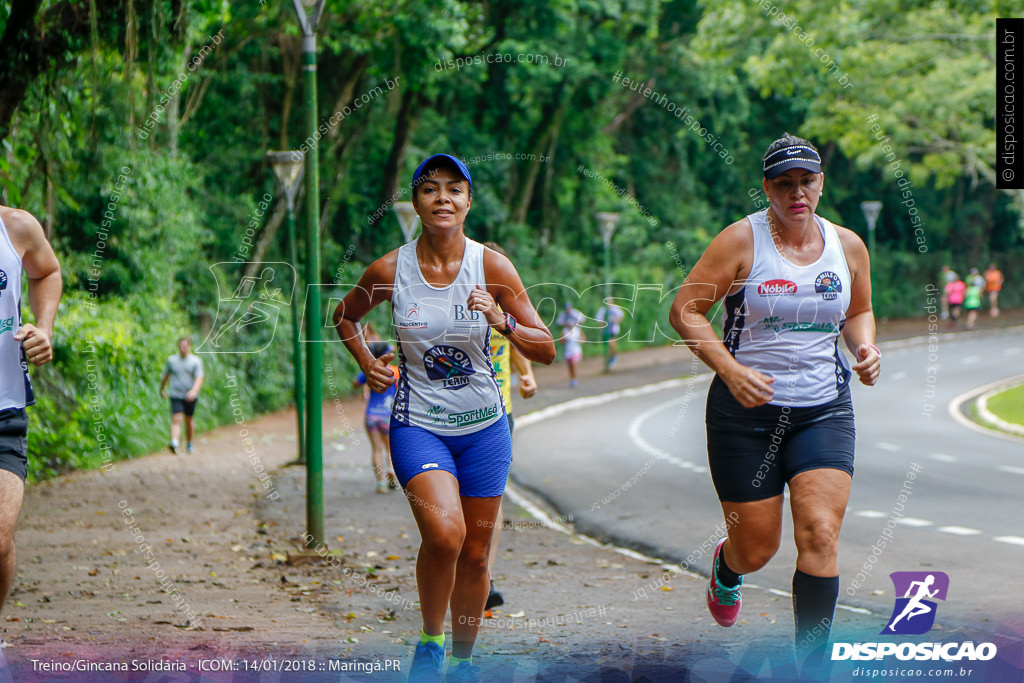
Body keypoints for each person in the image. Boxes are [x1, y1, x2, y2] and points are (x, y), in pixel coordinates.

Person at [333, 154, 554, 682]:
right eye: (430, 189)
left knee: (477, 556)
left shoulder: (493, 268)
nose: (443, 198)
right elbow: (344, 316)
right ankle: (430, 642)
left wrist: (500, 319)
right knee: (445, 537)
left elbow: (544, 347)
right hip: (419, 425)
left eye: (454, 189)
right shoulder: (390, 270)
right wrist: (368, 363)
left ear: (468, 202)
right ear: (416, 202)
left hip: (485, 430)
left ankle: (461, 662)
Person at [668, 133, 880, 674]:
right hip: (745, 415)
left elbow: (859, 310)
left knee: (820, 534)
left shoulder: (848, 245)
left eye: (806, 181)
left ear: (821, 183)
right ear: (767, 188)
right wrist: (730, 369)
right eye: (783, 184)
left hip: (822, 408)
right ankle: (727, 566)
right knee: (757, 548)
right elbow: (685, 311)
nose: (797, 194)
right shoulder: (741, 242)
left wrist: (864, 346)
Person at [0, 205, 62, 618]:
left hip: (4, 409)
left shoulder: (15, 226)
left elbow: (47, 271)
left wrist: (45, 327)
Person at [481, 242, 538, 614]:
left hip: (500, 413)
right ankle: (457, 566)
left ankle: (482, 575)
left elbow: (516, 339)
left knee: (490, 497)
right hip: (444, 416)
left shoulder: (504, 304)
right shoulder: (449, 300)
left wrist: (527, 373)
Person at [353, 340, 399, 493]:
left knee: (376, 449)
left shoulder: (370, 370)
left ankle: (381, 483)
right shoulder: (395, 371)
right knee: (390, 449)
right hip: (388, 415)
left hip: (372, 415)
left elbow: (355, 383)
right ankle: (391, 469)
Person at [159, 336, 204, 454]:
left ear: (189, 346)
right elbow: (166, 376)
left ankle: (189, 443)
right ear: (178, 347)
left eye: (185, 345)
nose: (183, 348)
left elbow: (199, 378)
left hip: (190, 395)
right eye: (181, 346)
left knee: (188, 420)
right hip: (175, 394)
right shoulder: (172, 361)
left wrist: (194, 391)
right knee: (176, 418)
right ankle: (174, 442)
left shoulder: (195, 361)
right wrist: (162, 389)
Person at [555, 302, 585, 387]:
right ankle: (572, 379)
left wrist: (580, 340)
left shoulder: (577, 329)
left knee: (573, 364)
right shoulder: (565, 331)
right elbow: (561, 340)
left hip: (576, 349)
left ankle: (574, 379)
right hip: (568, 350)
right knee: (570, 365)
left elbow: (582, 320)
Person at [595, 302, 625, 369]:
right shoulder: (602, 310)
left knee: (611, 344)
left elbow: (621, 316)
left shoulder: (615, 309)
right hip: (605, 331)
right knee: (607, 346)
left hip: (613, 330)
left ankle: (613, 357)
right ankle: (610, 358)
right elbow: (598, 320)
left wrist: (615, 320)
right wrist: (605, 322)